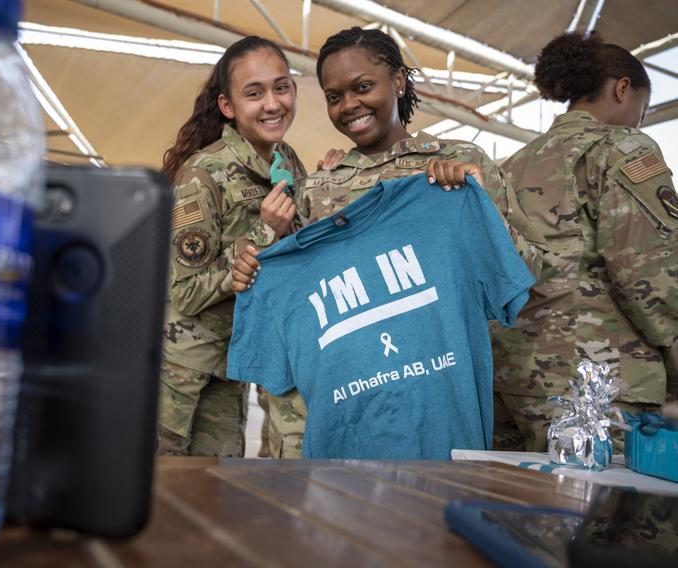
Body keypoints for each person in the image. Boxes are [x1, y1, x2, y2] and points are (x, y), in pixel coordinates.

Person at [230, 27, 547, 457]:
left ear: (398, 81)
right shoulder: (316, 191)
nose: (349, 106)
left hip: (444, 409)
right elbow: (297, 293)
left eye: (363, 87)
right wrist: (255, 263)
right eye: (334, 96)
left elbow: (527, 270)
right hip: (354, 417)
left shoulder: (461, 164)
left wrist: (481, 208)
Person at [492, 32, 677, 452]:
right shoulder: (623, 148)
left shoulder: (511, 165)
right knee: (604, 513)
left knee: (520, 509)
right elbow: (649, 273)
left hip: (512, 378)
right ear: (622, 88)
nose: (639, 122)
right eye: (642, 111)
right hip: (596, 382)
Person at [158, 36, 341, 458]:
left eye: (281, 87)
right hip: (180, 364)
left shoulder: (289, 161)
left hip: (232, 362)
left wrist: (324, 185)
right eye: (254, 93)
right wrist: (263, 231)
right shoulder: (204, 173)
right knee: (156, 484)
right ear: (228, 106)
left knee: (211, 488)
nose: (273, 104)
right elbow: (186, 291)